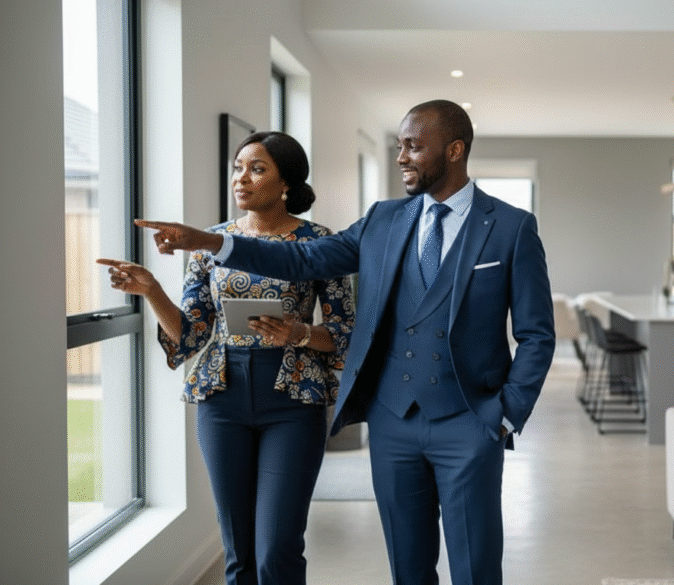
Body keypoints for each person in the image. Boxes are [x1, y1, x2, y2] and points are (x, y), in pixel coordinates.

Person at [134, 99, 556, 585]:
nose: (401, 157)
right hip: (393, 423)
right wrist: (211, 243)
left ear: (455, 150)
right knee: (408, 568)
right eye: (399, 146)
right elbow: (302, 260)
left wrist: (505, 414)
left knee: (475, 568)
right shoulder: (383, 219)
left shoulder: (510, 227)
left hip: (470, 421)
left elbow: (536, 335)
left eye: (414, 147)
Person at [98, 131, 355, 585]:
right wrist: (151, 290)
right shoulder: (211, 242)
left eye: (257, 169)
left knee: (277, 548)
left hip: (293, 400)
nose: (242, 178)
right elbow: (192, 335)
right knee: (238, 550)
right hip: (222, 398)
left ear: (286, 184)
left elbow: (345, 334)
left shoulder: (319, 242)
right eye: (238, 167)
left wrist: (298, 333)